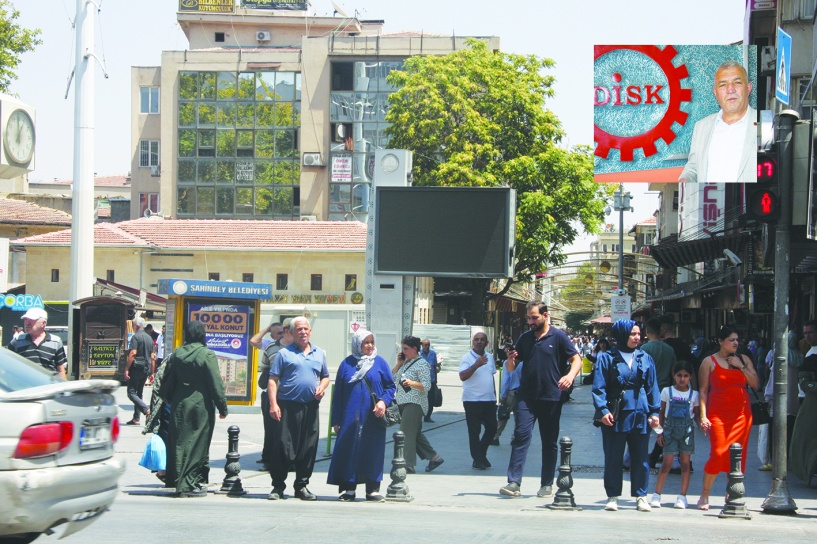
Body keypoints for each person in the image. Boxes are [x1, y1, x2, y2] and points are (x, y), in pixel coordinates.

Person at [500, 301, 582, 499]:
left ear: (545, 315)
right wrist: (510, 358)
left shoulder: (559, 336)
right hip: (526, 397)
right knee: (520, 436)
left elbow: (576, 359)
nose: (530, 321)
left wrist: (570, 377)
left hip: (551, 397)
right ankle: (514, 482)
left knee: (549, 441)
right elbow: (511, 368)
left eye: (534, 317)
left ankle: (546, 484)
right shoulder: (525, 338)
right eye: (528, 318)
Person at [592, 319, 661, 512]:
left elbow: (652, 387)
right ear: (621, 335)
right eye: (632, 334)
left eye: (638, 334)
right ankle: (613, 496)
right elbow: (599, 388)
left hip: (640, 413)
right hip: (616, 414)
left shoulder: (644, 357)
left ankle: (641, 495)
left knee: (640, 457)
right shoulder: (607, 358)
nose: (637, 337)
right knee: (613, 457)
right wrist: (603, 411)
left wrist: (655, 412)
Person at [159, 321, 228, 497]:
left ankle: (177, 478)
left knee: (179, 442)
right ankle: (188, 482)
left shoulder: (177, 354)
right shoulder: (207, 355)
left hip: (179, 403)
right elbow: (216, 383)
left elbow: (168, 380)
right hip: (200, 404)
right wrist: (222, 406)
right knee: (198, 442)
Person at [327, 329, 396, 502]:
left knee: (372, 450)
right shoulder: (347, 364)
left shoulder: (379, 363)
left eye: (372, 342)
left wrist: (383, 402)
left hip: (373, 417)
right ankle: (349, 489)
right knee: (349, 450)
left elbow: (390, 387)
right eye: (366, 342)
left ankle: (372, 489)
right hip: (350, 417)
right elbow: (339, 395)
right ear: (358, 344)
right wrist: (336, 420)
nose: (370, 346)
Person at [267, 317, 330, 501]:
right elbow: (273, 380)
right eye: (299, 329)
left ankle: (301, 486)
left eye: (306, 329)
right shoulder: (284, 354)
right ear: (292, 333)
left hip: (310, 407)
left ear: (310, 332)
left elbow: (325, 376)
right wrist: (273, 404)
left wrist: (322, 387)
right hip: (287, 406)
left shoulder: (319, 353)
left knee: (308, 447)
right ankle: (278, 486)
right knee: (283, 447)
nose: (303, 332)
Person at [697, 325, 759, 510]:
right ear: (720, 341)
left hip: (741, 414)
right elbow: (702, 391)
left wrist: (741, 368)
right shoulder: (709, 361)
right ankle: (705, 493)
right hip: (718, 413)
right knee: (718, 453)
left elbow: (755, 384)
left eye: (737, 339)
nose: (735, 343)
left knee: (738, 456)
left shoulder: (744, 359)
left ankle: (731, 493)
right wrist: (703, 415)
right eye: (731, 339)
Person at [678, 60, 756, 186]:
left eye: (737, 82)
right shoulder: (701, 127)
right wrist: (684, 182)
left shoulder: (763, 125)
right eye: (723, 85)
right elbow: (693, 169)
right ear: (715, 92)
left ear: (748, 88)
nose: (730, 89)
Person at [650, 360, 700, 510]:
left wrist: (704, 423)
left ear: (690, 377)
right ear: (674, 375)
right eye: (679, 375)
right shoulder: (667, 391)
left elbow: (696, 415)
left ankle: (682, 496)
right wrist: (659, 433)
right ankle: (657, 494)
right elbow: (662, 414)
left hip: (687, 432)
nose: (682, 379)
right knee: (666, 464)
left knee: (685, 464)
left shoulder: (694, 394)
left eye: (685, 376)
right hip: (670, 431)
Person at [392, 335, 444, 474]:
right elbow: (393, 378)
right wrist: (398, 363)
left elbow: (427, 386)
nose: (403, 351)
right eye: (402, 348)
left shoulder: (422, 364)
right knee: (415, 433)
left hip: (415, 403)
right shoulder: (405, 362)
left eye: (406, 349)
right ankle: (434, 457)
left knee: (405, 433)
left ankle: (408, 464)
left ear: (415, 349)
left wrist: (412, 383)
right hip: (403, 402)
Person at [459, 331, 498, 470]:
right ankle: (478, 459)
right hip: (472, 400)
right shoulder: (467, 358)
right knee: (474, 431)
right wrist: (476, 364)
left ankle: (481, 453)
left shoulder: (490, 357)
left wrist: (495, 397)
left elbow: (491, 376)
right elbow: (462, 376)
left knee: (492, 428)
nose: (479, 342)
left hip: (489, 400)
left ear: (487, 343)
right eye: (477, 339)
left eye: (482, 340)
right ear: (473, 342)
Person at [641, 317, 677, 467]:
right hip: (665, 392)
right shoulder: (669, 350)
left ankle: (639, 457)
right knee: (663, 425)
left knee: (644, 426)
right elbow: (674, 372)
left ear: (647, 331)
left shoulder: (644, 350)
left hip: (647, 393)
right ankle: (665, 455)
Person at [255, 320, 288, 471]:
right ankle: (268, 459)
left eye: (284, 331)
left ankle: (286, 459)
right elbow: (254, 341)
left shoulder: (296, 348)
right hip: (270, 394)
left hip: (288, 395)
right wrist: (267, 328)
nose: (283, 334)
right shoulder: (270, 346)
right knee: (271, 429)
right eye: (279, 332)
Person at [789, 320, 817, 484]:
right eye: (805, 333)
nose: (807, 336)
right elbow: (804, 382)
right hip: (808, 401)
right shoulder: (808, 354)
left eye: (810, 332)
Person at [8, 308, 67, 379]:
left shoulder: (56, 342)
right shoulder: (17, 341)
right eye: (26, 320)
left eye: (31, 320)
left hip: (49, 387)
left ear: (43, 323)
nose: (27, 323)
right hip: (25, 387)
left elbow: (60, 370)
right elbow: (5, 363)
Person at [124, 317, 156, 425]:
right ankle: (136, 418)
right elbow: (152, 357)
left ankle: (146, 410)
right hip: (146, 369)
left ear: (136, 326)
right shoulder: (149, 338)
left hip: (136, 368)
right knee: (139, 392)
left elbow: (133, 353)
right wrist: (152, 372)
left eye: (133, 325)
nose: (132, 327)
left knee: (131, 392)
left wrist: (127, 368)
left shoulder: (135, 337)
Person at [493, 357, 522, 446]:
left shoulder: (508, 362)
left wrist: (503, 395)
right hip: (522, 392)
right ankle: (516, 438)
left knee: (503, 415)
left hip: (511, 393)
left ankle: (495, 436)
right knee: (519, 417)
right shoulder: (525, 362)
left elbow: (506, 380)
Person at [420, 338, 439, 423]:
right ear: (422, 345)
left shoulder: (433, 354)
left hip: (431, 380)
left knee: (430, 400)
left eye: (428, 345)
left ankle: (428, 416)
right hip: (421, 381)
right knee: (421, 399)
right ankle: (419, 416)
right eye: (425, 345)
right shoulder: (419, 354)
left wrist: (435, 379)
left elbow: (435, 366)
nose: (427, 346)